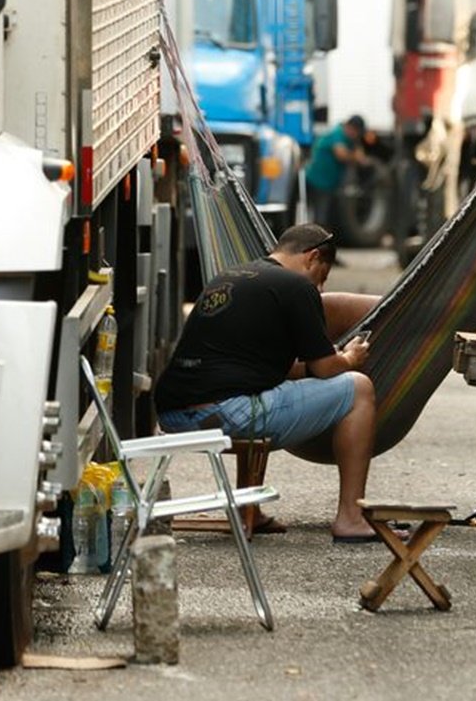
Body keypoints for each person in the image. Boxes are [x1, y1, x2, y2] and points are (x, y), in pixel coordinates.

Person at [154, 223, 381, 543]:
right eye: (323, 276)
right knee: (359, 389)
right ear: (312, 258)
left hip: (174, 416)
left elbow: (272, 371)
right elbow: (326, 368)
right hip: (228, 416)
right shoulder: (297, 287)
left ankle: (249, 507)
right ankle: (350, 518)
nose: (320, 288)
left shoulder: (229, 277)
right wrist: (349, 358)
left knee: (263, 391)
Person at [304, 114, 367, 225]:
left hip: (327, 184)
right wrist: (355, 157)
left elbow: (361, 157)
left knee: (323, 216)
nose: (356, 135)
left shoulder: (349, 139)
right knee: (319, 216)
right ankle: (316, 239)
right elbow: (341, 154)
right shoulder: (337, 133)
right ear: (350, 127)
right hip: (317, 181)